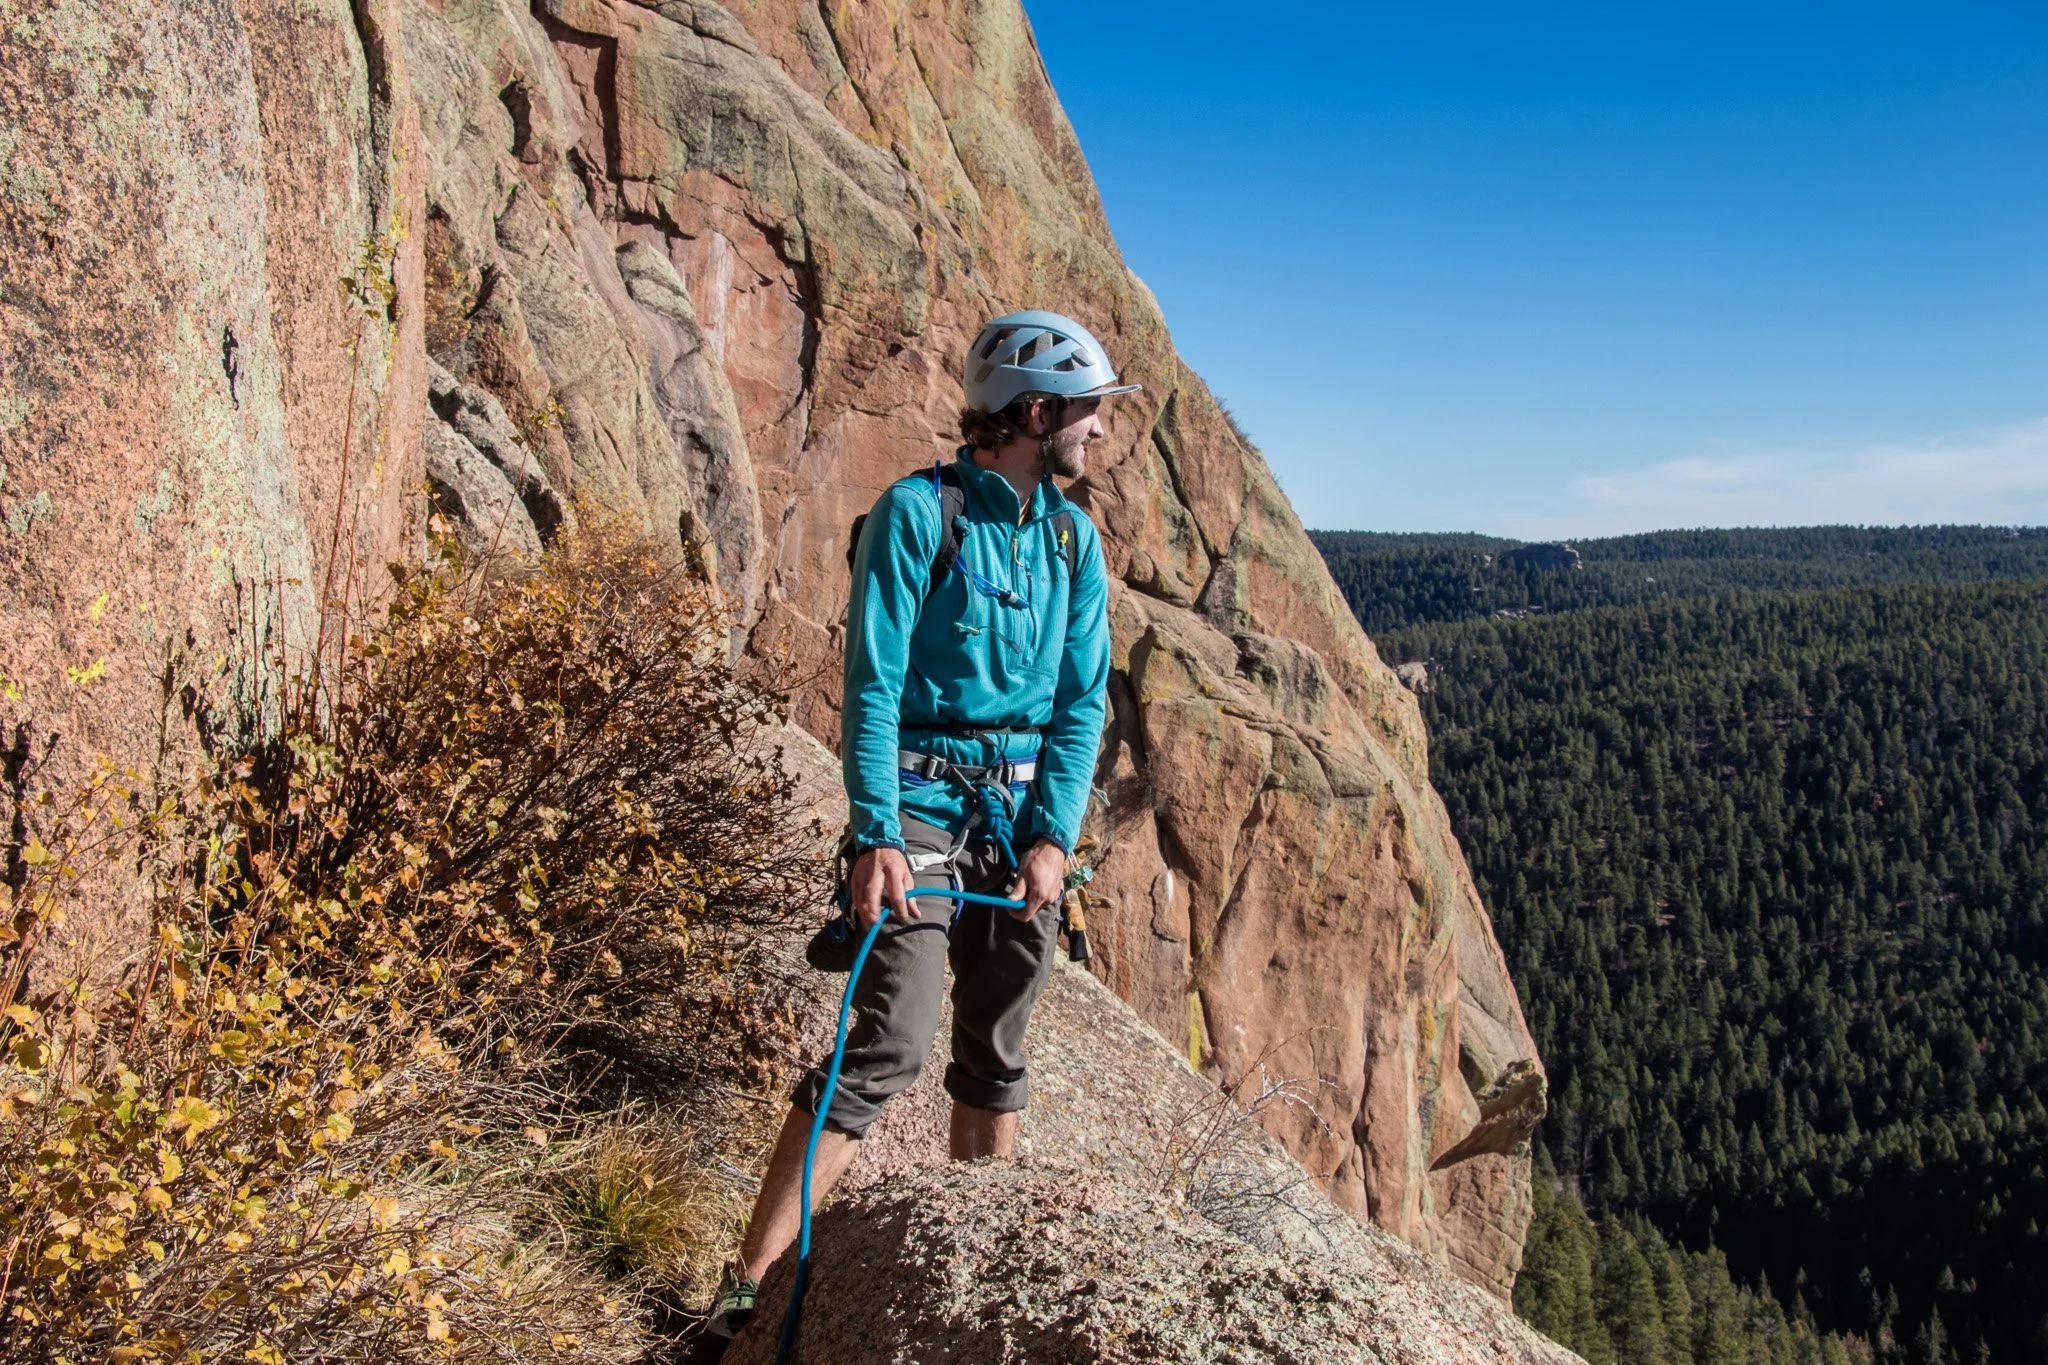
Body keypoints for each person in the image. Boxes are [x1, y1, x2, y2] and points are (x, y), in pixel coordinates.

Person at [707, 310, 1137, 1338]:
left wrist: (1052, 837)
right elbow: (871, 685)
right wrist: (876, 835)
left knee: (997, 1050)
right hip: (921, 811)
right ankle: (741, 1294)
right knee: (888, 1043)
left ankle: (971, 1295)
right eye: (1088, 410)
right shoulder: (918, 516)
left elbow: (1081, 704)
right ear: (1035, 414)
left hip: (1018, 823)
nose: (1100, 430)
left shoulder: (1071, 541)